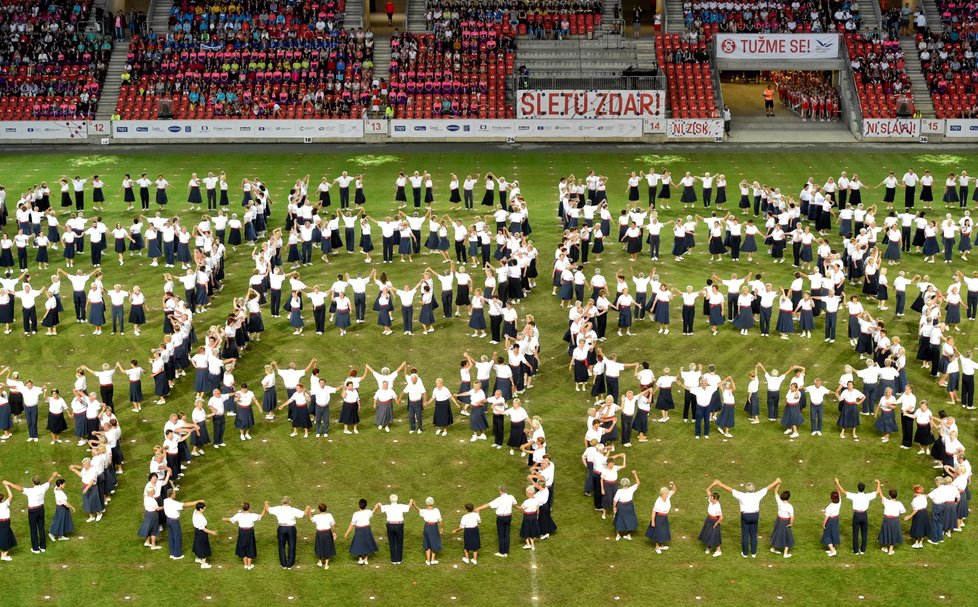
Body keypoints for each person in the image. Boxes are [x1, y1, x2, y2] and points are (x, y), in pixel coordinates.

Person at [712, 477, 780, 558]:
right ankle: (754, 553)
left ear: (746, 489)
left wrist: (720, 484)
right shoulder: (758, 494)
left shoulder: (742, 495)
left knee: (745, 534)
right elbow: (768, 488)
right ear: (754, 489)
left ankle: (745, 553)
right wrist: (776, 482)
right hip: (755, 516)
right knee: (753, 534)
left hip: (745, 516)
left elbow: (730, 490)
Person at [3, 471, 58, 553]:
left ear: (32, 482)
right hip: (41, 509)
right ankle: (43, 547)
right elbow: (49, 481)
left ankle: (35, 548)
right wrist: (54, 475)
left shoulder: (30, 491)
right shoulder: (43, 487)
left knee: (33, 529)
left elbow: (19, 488)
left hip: (32, 511)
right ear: (39, 481)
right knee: (41, 528)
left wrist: (9, 483)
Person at [834, 478, 880, 555]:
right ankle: (862, 550)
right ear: (864, 488)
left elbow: (843, 492)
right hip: (864, 515)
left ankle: (855, 551)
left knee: (855, 533)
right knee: (864, 533)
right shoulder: (867, 496)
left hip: (856, 515)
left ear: (857, 488)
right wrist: (878, 483)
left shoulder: (854, 496)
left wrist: (837, 483)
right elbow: (878, 492)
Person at [163, 487, 205, 560]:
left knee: (171, 537)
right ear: (171, 494)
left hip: (168, 520)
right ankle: (177, 555)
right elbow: (185, 504)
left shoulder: (165, 500)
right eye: (174, 493)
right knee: (177, 537)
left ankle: (172, 553)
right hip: (174, 522)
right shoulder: (174, 503)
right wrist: (197, 501)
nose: (175, 494)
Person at [475, 486, 518, 557]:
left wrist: (478, 508)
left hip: (501, 518)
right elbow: (514, 503)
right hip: (509, 517)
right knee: (507, 534)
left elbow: (488, 505)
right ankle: (506, 552)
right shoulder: (511, 497)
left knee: (501, 535)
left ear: (501, 491)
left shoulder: (499, 499)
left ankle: (501, 552)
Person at [266, 496, 307, 570]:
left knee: (281, 546)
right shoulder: (293, 510)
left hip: (281, 528)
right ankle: (290, 564)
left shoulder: (278, 508)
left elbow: (267, 509)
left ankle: (283, 564)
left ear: (282, 502)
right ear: (289, 502)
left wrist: (266, 503)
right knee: (292, 545)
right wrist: (307, 507)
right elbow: (304, 514)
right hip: (291, 529)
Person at [375, 494, 410, 564]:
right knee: (399, 542)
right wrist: (411, 501)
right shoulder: (400, 506)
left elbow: (381, 506)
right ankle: (399, 559)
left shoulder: (387, 507)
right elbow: (408, 507)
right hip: (399, 525)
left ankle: (393, 560)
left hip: (390, 525)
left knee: (392, 542)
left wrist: (379, 504)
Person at [344, 498, 378, 565]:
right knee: (366, 542)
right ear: (366, 505)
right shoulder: (368, 512)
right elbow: (373, 512)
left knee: (359, 543)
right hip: (366, 529)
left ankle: (360, 558)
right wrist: (376, 507)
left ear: (359, 505)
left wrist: (346, 533)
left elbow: (352, 524)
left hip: (359, 530)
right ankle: (365, 559)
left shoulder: (356, 514)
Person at [645, 481, 676, 554]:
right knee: (658, 532)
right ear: (662, 494)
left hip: (664, 517)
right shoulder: (658, 502)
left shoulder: (667, 496)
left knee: (664, 531)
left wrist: (673, 484)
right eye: (666, 494)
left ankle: (661, 545)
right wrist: (653, 521)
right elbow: (653, 511)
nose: (668, 494)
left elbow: (674, 490)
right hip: (659, 518)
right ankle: (657, 547)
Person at [412, 497, 443, 565]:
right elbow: (440, 520)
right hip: (434, 527)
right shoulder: (436, 510)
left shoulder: (424, 511)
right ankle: (432, 560)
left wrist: (414, 505)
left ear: (426, 503)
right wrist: (441, 528)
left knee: (427, 542)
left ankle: (428, 560)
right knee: (434, 542)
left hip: (427, 527)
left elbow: (419, 510)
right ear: (433, 502)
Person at [877, 485, 906, 555]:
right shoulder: (899, 503)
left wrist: (878, 484)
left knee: (885, 532)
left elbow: (880, 494)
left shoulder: (886, 501)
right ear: (896, 495)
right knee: (893, 533)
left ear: (890, 495)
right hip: (895, 520)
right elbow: (903, 511)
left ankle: (884, 547)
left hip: (887, 520)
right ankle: (890, 550)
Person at [613, 471, 640, 541]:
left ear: (622, 484)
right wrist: (635, 474)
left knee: (619, 520)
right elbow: (638, 483)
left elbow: (615, 500)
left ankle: (618, 535)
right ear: (628, 484)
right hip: (629, 506)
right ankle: (628, 535)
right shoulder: (631, 489)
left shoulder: (619, 491)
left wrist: (614, 507)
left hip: (621, 507)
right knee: (630, 520)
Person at [769, 482, 794, 558]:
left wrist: (778, 484)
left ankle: (773, 548)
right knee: (787, 536)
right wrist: (791, 524)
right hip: (785, 522)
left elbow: (775, 492)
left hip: (779, 520)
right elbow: (792, 516)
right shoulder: (789, 506)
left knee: (777, 533)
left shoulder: (779, 501)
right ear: (788, 498)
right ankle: (785, 554)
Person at [309, 503, 337, 570]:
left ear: (319, 509)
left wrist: (309, 511)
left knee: (319, 546)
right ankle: (326, 565)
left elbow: (311, 519)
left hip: (320, 533)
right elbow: (333, 525)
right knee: (327, 547)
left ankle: (320, 562)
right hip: (327, 533)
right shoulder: (329, 515)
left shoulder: (316, 516)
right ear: (326, 508)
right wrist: (334, 532)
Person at [700, 482, 724, 557]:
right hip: (709, 519)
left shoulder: (718, 506)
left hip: (714, 521)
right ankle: (708, 547)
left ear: (715, 498)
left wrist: (716, 523)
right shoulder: (711, 501)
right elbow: (707, 489)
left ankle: (718, 551)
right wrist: (713, 484)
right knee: (707, 534)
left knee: (715, 536)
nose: (710, 498)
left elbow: (721, 517)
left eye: (711, 497)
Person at [191, 501, 217, 569]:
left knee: (197, 544)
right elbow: (203, 529)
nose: (204, 508)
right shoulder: (199, 518)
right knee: (204, 546)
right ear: (200, 509)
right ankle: (203, 564)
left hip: (197, 531)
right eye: (203, 508)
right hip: (201, 532)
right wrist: (212, 532)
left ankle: (197, 558)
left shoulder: (195, 511)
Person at [821, 491, 842, 556]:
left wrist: (823, 524)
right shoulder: (839, 503)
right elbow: (839, 493)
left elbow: (826, 517)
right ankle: (832, 548)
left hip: (830, 521)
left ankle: (833, 551)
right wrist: (837, 484)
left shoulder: (830, 507)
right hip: (836, 520)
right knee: (833, 533)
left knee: (827, 535)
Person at [0, 481, 15, 560]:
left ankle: (3, 554)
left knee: (2, 536)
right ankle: (4, 555)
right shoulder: (4, 504)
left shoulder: (3, 504)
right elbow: (11, 496)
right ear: (2, 500)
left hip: (1, 523)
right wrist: (6, 486)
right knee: (6, 537)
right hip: (5, 523)